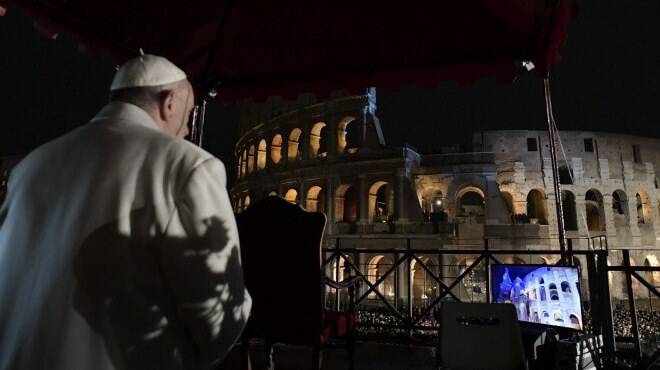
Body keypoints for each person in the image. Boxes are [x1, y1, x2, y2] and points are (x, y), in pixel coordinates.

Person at [0, 54, 252, 370]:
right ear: (169, 103)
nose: (187, 129)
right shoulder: (190, 166)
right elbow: (218, 318)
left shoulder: (31, 165)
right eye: (189, 115)